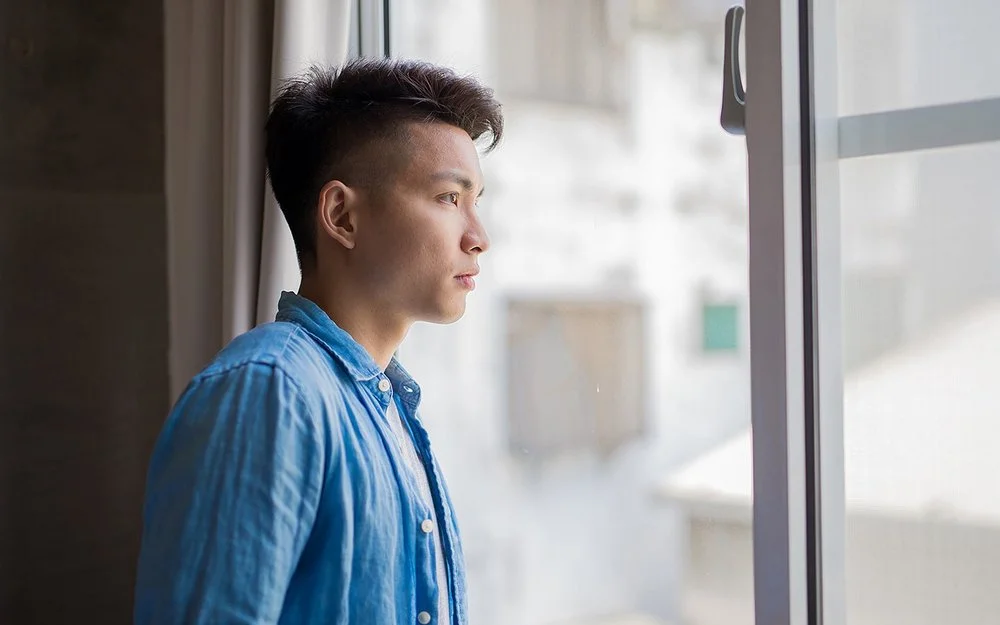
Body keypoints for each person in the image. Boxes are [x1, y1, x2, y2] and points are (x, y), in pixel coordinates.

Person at [133, 57, 503, 625]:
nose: (478, 237)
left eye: (475, 202)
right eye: (449, 198)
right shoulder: (268, 394)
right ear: (341, 215)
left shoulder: (389, 409)